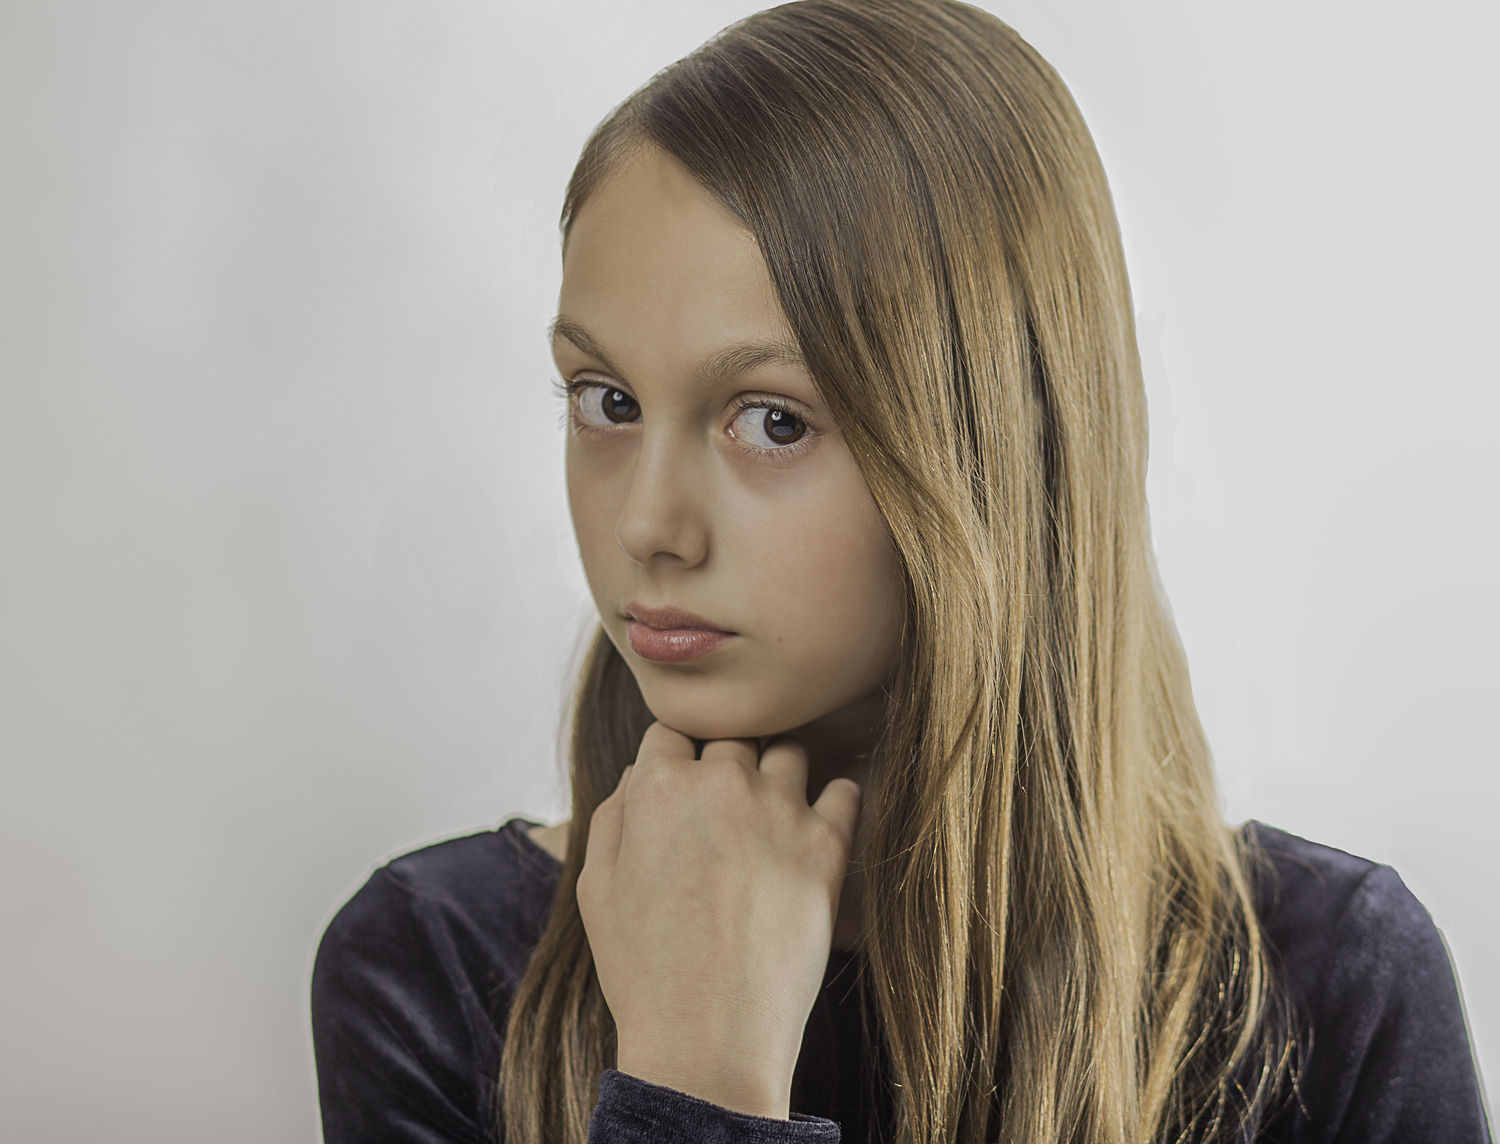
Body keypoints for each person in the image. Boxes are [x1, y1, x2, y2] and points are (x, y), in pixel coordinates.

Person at [309, 1, 1492, 1141]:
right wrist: (695, 1079)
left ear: (996, 449)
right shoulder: (436, 971)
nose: (647, 524)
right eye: (606, 401)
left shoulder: (1333, 994)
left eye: (771, 421)